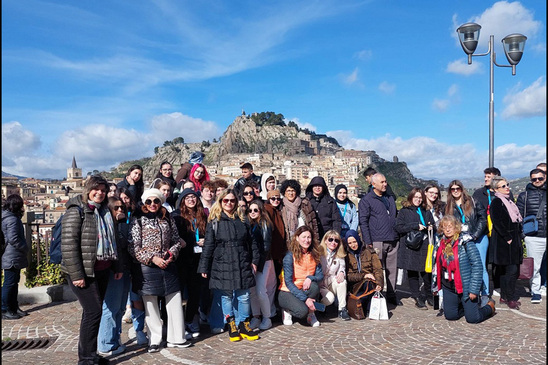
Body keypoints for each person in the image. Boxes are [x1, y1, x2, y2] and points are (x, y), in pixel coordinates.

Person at [61, 175, 122, 365]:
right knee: (94, 312)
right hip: (84, 272)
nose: (100, 193)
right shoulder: (76, 211)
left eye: (103, 191)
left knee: (91, 313)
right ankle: (86, 359)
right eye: (96, 189)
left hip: (102, 269)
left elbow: (114, 239)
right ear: (88, 189)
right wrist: (77, 274)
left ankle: (90, 354)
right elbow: (69, 245)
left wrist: (116, 265)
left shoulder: (104, 211)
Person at [128, 188, 191, 352]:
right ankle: (154, 339)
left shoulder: (168, 218)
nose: (152, 204)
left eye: (156, 201)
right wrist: (153, 259)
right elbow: (133, 247)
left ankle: (177, 337)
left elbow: (176, 240)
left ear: (160, 202)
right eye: (149, 201)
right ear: (144, 203)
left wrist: (171, 254)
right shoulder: (138, 221)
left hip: (169, 264)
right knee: (150, 304)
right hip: (148, 267)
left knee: (175, 300)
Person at [197, 189, 260, 342]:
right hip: (222, 263)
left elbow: (252, 243)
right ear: (220, 202)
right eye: (226, 200)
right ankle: (231, 324)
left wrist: (255, 260)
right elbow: (209, 246)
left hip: (242, 261)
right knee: (225, 296)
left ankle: (244, 325)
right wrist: (204, 266)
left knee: (244, 296)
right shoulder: (215, 221)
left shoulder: (243, 219)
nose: (229, 203)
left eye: (232, 200)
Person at [435, 215, 496, 323]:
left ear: (456, 227)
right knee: (450, 316)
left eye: (450, 226)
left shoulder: (465, 242)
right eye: (445, 227)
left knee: (473, 319)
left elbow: (477, 266)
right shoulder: (440, 243)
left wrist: (474, 290)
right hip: (448, 285)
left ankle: (489, 307)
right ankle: (464, 307)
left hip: (466, 286)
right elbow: (437, 267)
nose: (448, 229)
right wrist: (435, 287)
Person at [358, 173, 401, 306]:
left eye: (385, 181)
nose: (385, 184)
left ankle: (392, 294)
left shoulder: (390, 198)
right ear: (373, 184)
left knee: (392, 269)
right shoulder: (366, 200)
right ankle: (374, 294)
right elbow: (363, 222)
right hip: (376, 240)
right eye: (382, 182)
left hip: (392, 238)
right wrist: (368, 241)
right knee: (376, 269)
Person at [97, 197, 132, 357]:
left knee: (120, 308)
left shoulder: (122, 225)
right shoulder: (107, 227)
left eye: (122, 208)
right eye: (116, 208)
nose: (120, 211)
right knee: (110, 308)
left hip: (124, 270)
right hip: (112, 272)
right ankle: (106, 344)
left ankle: (114, 340)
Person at [172, 188, 208, 339]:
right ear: (182, 200)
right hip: (182, 259)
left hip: (197, 260)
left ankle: (190, 319)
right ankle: (178, 323)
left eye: (193, 197)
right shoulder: (177, 216)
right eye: (187, 198)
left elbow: (209, 234)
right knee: (179, 293)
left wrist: (205, 240)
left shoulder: (202, 215)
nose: (191, 200)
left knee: (195, 292)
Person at [445, 180, 488, 302]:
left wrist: (475, 235)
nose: (455, 191)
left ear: (461, 189)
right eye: (452, 189)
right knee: (464, 266)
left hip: (478, 237)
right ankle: (468, 293)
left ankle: (484, 294)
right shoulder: (449, 206)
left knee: (480, 266)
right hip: (460, 240)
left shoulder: (473, 201)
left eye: (457, 188)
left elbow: (482, 218)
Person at [395, 188, 435, 310]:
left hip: (424, 245)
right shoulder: (404, 211)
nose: (418, 199)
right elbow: (398, 227)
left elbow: (432, 224)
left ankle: (429, 295)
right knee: (412, 273)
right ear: (411, 197)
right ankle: (417, 297)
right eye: (415, 197)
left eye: (420, 197)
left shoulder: (425, 211)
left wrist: (431, 227)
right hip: (410, 246)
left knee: (426, 273)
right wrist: (415, 226)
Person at [278, 225, 324, 327]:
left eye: (309, 237)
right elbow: (288, 283)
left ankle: (311, 314)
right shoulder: (289, 256)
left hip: (304, 289)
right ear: (297, 238)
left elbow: (320, 275)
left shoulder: (315, 254)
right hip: (287, 292)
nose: (306, 240)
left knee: (314, 286)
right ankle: (287, 311)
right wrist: (306, 299)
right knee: (302, 311)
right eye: (304, 237)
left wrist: (310, 278)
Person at [488, 176, 523, 310]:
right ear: (496, 189)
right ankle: (510, 297)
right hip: (505, 241)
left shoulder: (509, 201)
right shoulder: (497, 202)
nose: (507, 187)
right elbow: (496, 221)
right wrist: (507, 237)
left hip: (512, 240)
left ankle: (504, 296)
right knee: (511, 271)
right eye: (503, 186)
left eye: (507, 185)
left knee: (507, 270)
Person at [517, 168, 546, 304]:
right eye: (534, 179)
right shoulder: (524, 196)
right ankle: (536, 291)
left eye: (540, 178)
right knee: (535, 266)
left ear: (545, 177)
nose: (537, 181)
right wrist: (524, 235)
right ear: (530, 180)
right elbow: (519, 216)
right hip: (534, 236)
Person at [247, 199, 276, 331]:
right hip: (254, 261)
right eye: (250, 210)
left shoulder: (264, 224)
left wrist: (258, 264)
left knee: (260, 290)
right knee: (253, 290)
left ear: (260, 211)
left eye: (255, 210)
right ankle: (256, 316)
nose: (252, 213)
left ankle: (267, 317)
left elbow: (265, 246)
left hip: (263, 261)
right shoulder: (250, 224)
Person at [2, 194, 29, 320]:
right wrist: (24, 247)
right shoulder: (12, 219)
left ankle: (13, 308)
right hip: (11, 255)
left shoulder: (9, 217)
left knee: (13, 283)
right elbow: (13, 238)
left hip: (12, 255)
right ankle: (5, 309)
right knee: (9, 283)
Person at [345, 229, 383, 317]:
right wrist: (364, 275)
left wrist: (379, 283)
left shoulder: (369, 251)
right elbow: (349, 275)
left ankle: (369, 309)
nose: (353, 245)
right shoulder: (347, 255)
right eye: (350, 243)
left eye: (354, 242)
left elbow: (378, 269)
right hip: (355, 285)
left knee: (369, 282)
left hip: (369, 283)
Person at [263, 189, 287, 315]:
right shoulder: (268, 210)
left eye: (278, 198)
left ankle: (272, 309)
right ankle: (270, 310)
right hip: (272, 253)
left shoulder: (277, 211)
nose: (276, 201)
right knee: (270, 284)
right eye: (273, 198)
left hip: (276, 253)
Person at [423, 183, 445, 316]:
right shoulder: (421, 208)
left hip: (439, 240)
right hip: (427, 241)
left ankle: (437, 294)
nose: (433, 195)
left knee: (438, 268)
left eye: (436, 193)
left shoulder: (440, 207)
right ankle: (429, 294)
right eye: (431, 192)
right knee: (428, 268)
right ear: (425, 192)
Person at [318, 230, 350, 320]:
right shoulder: (319, 253)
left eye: (336, 240)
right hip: (320, 283)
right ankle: (318, 306)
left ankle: (342, 309)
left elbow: (342, 267)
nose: (333, 242)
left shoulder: (339, 254)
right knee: (330, 299)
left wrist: (341, 273)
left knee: (342, 282)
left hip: (331, 280)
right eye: (331, 239)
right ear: (325, 240)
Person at [280, 179, 319, 244]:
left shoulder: (305, 204)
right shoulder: (281, 206)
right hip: (288, 243)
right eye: (288, 191)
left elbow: (314, 223)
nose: (291, 193)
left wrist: (316, 241)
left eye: (293, 191)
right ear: (284, 193)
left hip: (305, 242)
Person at [305, 176, 342, 240]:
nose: (317, 188)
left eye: (319, 186)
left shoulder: (330, 201)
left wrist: (334, 235)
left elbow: (336, 220)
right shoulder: (306, 202)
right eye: (315, 186)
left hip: (327, 236)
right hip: (311, 236)